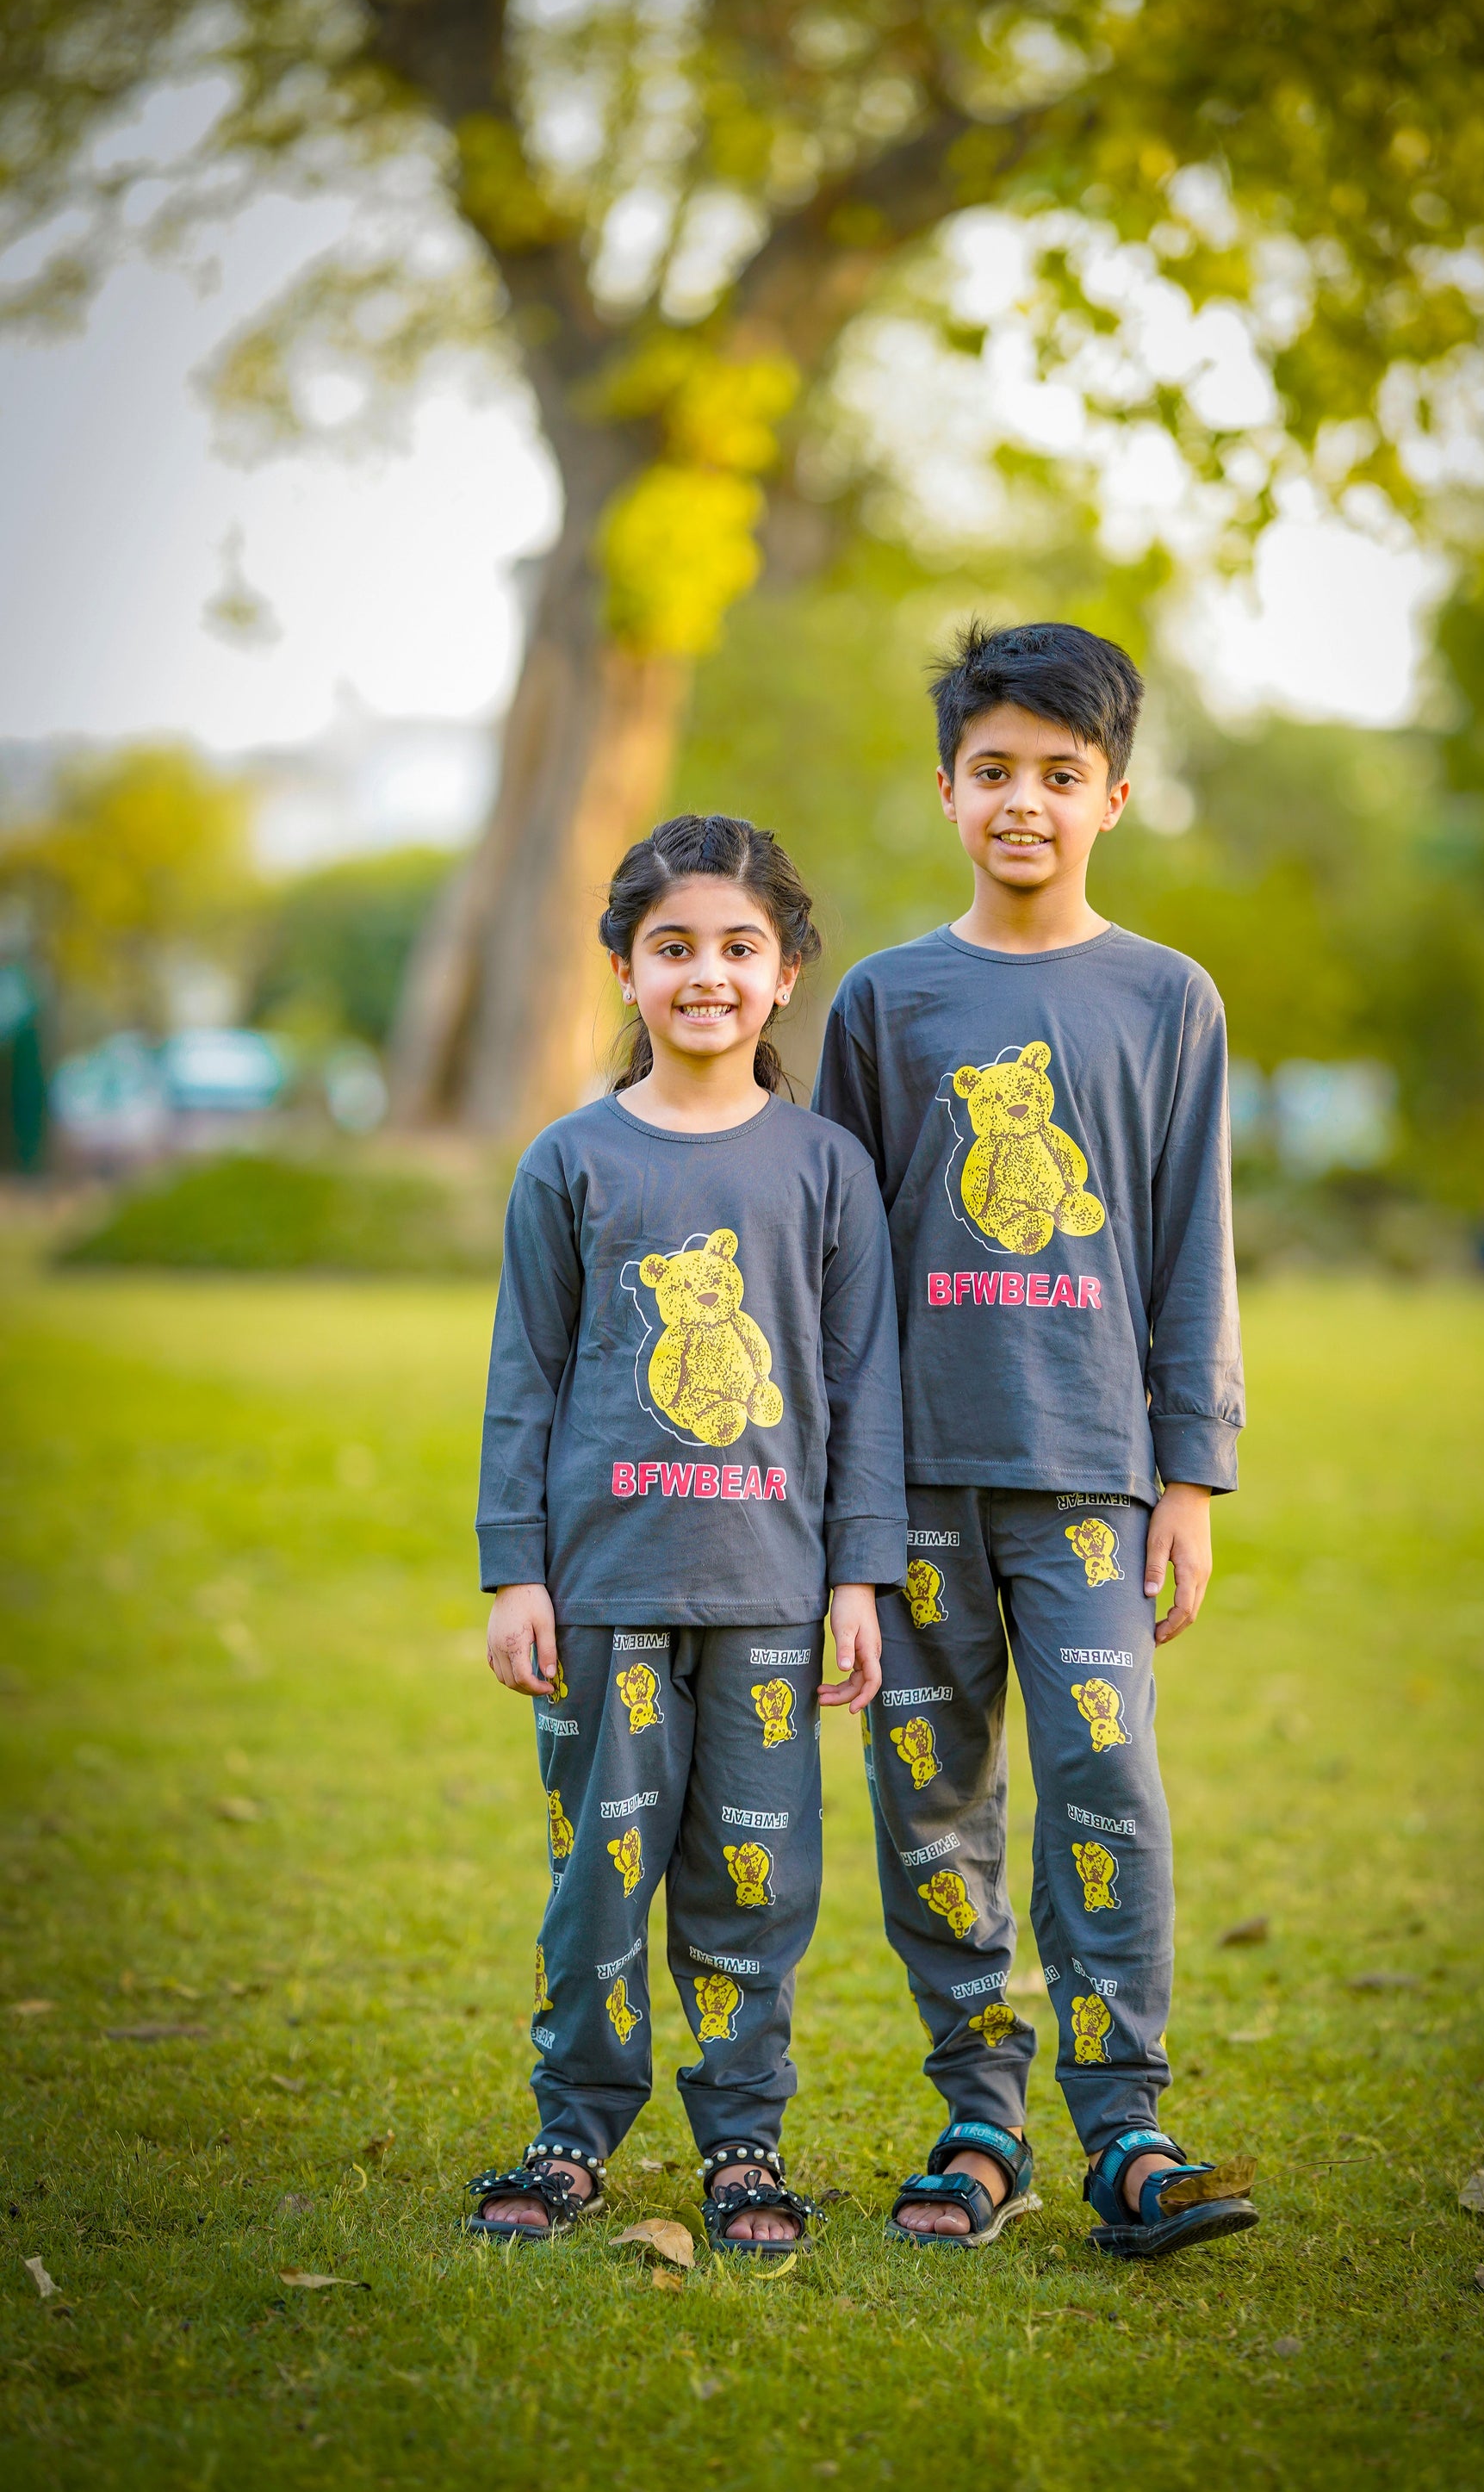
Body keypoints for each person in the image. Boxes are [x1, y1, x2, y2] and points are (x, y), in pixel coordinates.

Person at [814, 621, 1258, 2261]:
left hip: (1090, 1476)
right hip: (915, 1480)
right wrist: (838, 1509)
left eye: (1058, 775)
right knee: (929, 1799)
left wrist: (1188, 1477)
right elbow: (831, 1266)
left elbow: (1191, 1243)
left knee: (1103, 1782)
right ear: (944, 789)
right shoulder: (884, 1000)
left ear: (1112, 797)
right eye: (991, 769)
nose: (1022, 801)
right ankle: (977, 2117)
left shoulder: (1166, 998)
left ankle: (1124, 2122)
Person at [468, 813, 906, 2257]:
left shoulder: (827, 1168)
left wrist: (859, 1578)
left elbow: (861, 1385)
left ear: (785, 974)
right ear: (623, 968)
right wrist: (516, 1572)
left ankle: (742, 2143)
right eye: (672, 947)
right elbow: (525, 1377)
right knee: (598, 1873)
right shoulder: (570, 1161)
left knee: (751, 1881)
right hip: (604, 1588)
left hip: (773, 1592)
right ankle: (572, 2129)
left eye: (737, 946)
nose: (705, 973)